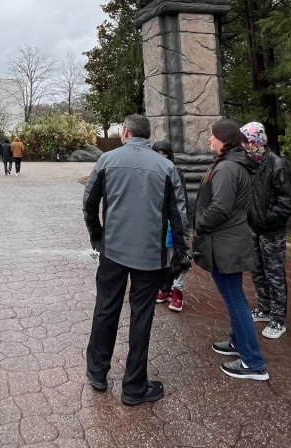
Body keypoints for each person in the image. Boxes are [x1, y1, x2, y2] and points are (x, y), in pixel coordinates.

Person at [84, 114, 190, 405]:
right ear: (147, 135)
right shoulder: (166, 167)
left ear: (126, 132)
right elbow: (179, 216)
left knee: (106, 308)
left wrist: (97, 236)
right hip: (150, 255)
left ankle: (97, 372)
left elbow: (89, 202)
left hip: (113, 251)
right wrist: (181, 254)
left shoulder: (107, 161)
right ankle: (134, 387)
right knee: (142, 316)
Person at [194, 119, 269, 381]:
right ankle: (238, 343)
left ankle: (253, 363)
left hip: (224, 244)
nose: (209, 140)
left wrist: (199, 227)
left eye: (212, 135)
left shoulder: (227, 168)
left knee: (235, 299)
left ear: (224, 139)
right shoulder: (233, 164)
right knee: (234, 297)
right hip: (230, 242)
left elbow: (220, 208)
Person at [241, 122, 291, 340]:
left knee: (275, 273)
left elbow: (288, 202)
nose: (244, 145)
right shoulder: (249, 164)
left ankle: (278, 318)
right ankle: (263, 308)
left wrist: (267, 219)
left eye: (246, 140)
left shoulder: (277, 165)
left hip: (271, 231)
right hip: (253, 228)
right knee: (256, 270)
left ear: (257, 140)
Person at [151, 140, 189, 312]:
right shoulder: (150, 172)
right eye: (158, 153)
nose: (162, 157)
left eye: (164, 153)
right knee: (163, 258)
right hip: (157, 222)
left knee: (176, 256)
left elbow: (182, 200)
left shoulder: (176, 173)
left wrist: (181, 224)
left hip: (172, 223)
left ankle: (177, 290)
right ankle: (165, 288)